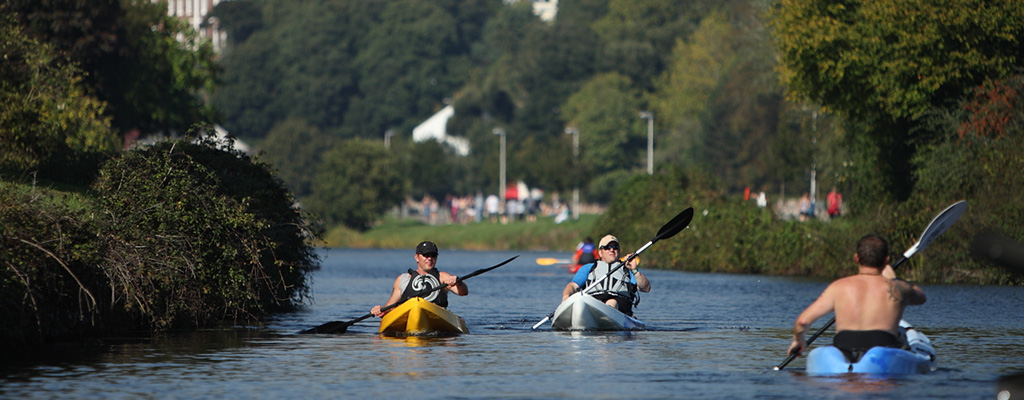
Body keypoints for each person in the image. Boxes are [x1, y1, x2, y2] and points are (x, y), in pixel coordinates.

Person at [786, 235, 927, 363]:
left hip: (844, 352)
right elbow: (921, 297)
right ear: (886, 260)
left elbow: (802, 321)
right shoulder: (898, 288)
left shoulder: (838, 287)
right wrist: (894, 279)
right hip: (884, 351)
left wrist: (799, 340)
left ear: (856, 258)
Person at [370, 241, 468, 317]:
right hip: (408, 317)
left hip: (436, 317)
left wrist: (458, 282)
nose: (429, 258)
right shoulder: (402, 279)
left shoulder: (443, 277)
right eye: (426, 255)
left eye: (433, 255)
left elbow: (463, 292)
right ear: (417, 257)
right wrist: (380, 310)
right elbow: (390, 306)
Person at [561, 235, 651, 315]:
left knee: (611, 302)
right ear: (600, 252)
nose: (612, 249)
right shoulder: (589, 268)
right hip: (594, 301)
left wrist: (635, 270)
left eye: (615, 247)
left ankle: (606, 316)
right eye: (607, 247)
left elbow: (646, 288)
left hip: (620, 303)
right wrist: (566, 297)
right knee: (587, 301)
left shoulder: (628, 268)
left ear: (619, 251)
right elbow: (572, 286)